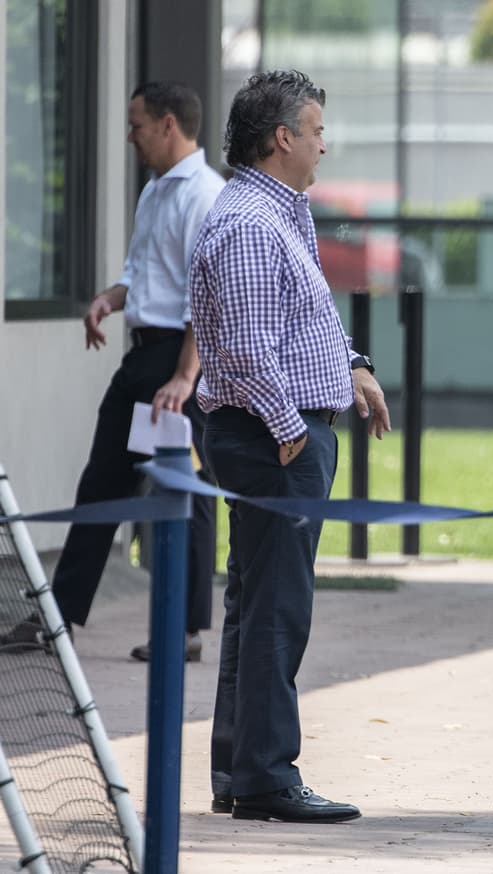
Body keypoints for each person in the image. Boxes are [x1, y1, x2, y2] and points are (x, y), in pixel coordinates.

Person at [190, 69, 391, 824]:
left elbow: (301, 319)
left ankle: (243, 770)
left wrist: (354, 366)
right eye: (315, 132)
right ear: (283, 139)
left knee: (258, 602)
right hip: (274, 437)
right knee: (276, 609)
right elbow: (246, 347)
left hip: (285, 431)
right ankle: (268, 776)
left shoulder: (281, 212)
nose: (323, 145)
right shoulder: (248, 221)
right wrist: (289, 428)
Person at [0, 82, 224, 662]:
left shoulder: (205, 195)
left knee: (182, 488)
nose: (129, 136)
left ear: (168, 124)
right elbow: (150, 279)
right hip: (144, 356)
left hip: (178, 359)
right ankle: (59, 618)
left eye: (136, 125)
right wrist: (109, 298)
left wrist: (184, 377)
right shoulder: (154, 191)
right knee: (103, 481)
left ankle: (186, 630)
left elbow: (207, 295)